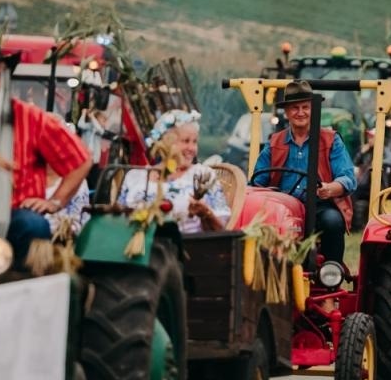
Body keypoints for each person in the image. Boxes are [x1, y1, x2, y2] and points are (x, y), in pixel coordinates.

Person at [0, 37, 92, 265]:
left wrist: (55, 202)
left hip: (16, 218)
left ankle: (23, 287)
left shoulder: (33, 118)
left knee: (33, 224)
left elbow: (81, 160)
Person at [250, 80, 356, 264]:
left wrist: (330, 188)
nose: (300, 112)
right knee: (255, 224)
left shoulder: (331, 140)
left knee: (332, 221)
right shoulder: (274, 142)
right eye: (294, 108)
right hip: (282, 206)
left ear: (313, 109)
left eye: (305, 107)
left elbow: (348, 178)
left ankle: (330, 274)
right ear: (287, 112)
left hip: (319, 204)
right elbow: (258, 180)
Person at [119, 111, 230, 234]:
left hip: (187, 247)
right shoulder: (135, 176)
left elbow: (221, 231)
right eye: (185, 141)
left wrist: (205, 213)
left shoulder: (203, 176)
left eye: (195, 142)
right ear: (166, 142)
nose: (192, 148)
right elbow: (117, 221)